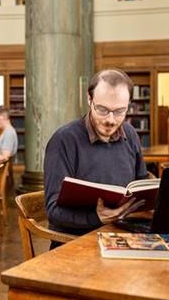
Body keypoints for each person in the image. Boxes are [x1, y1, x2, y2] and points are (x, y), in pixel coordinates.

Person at [44, 68, 149, 239]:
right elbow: (53, 211)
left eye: (119, 111)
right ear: (89, 99)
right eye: (102, 109)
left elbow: (141, 183)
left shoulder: (130, 134)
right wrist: (96, 218)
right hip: (76, 241)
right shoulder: (63, 140)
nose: (110, 120)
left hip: (123, 232)